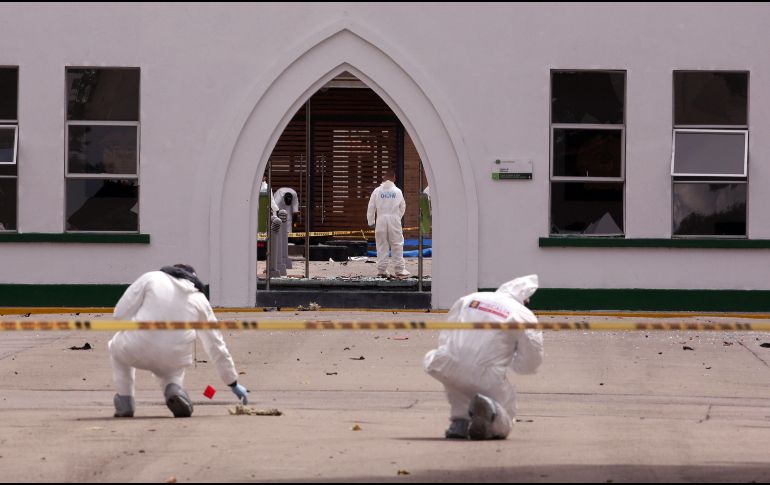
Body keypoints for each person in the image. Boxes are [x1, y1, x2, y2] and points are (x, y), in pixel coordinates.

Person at [107, 264, 249, 418]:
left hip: (136, 346)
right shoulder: (200, 299)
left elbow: (119, 314)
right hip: (174, 357)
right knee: (174, 368)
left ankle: (125, 400)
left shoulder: (152, 277)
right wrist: (232, 382)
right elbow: (215, 345)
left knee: (115, 347)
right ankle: (174, 388)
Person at [423, 274, 543, 440]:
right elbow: (531, 359)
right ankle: (491, 409)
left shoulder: (471, 299)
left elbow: (447, 332)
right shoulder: (524, 314)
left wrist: (448, 353)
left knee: (458, 385)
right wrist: (514, 364)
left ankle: (460, 422)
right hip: (486, 375)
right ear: (524, 299)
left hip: (447, 362)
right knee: (506, 415)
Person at [366, 167, 410, 279]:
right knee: (397, 244)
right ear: (394, 178)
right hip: (394, 219)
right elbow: (403, 206)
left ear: (383, 178)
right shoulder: (397, 191)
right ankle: (400, 269)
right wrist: (397, 217)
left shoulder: (377, 191)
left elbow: (371, 207)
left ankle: (381, 270)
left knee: (381, 245)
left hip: (380, 219)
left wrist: (371, 221)